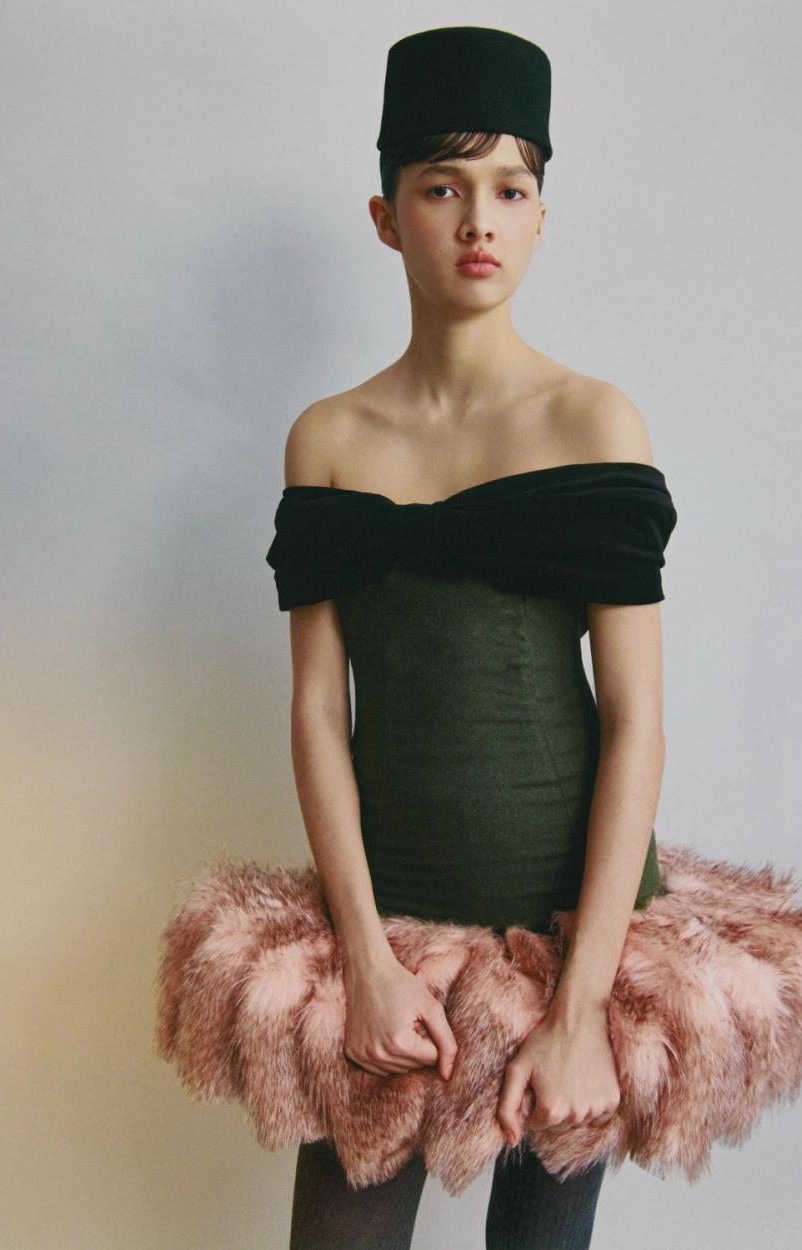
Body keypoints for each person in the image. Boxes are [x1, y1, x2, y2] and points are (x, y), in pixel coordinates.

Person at [270, 26, 677, 1250]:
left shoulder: (593, 422)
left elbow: (636, 721)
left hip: (570, 933)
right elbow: (316, 711)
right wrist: (363, 956)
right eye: (442, 188)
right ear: (387, 217)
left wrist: (583, 1003)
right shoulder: (328, 438)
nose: (477, 221)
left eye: (509, 188)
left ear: (542, 216)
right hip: (388, 921)